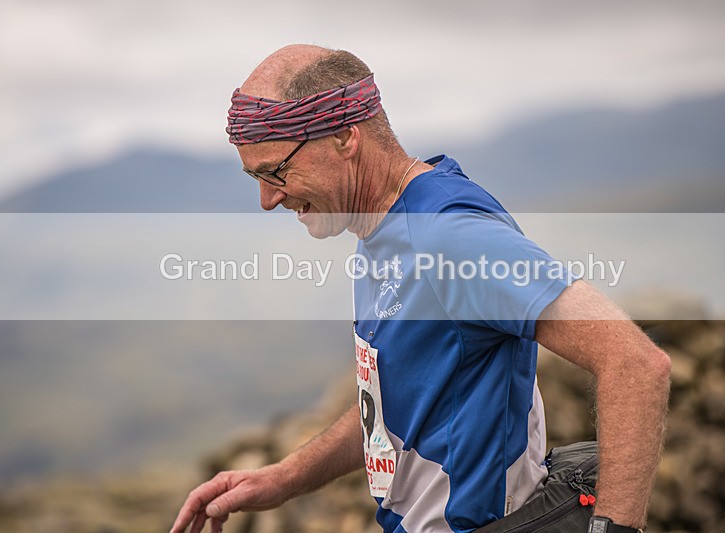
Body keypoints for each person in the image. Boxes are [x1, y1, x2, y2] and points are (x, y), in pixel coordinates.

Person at [169, 45, 671, 533]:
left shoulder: (447, 236)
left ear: (345, 137)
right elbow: (396, 404)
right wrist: (283, 479)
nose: (267, 199)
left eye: (276, 171)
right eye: (254, 177)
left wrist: (616, 529)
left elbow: (635, 363)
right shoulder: (378, 227)